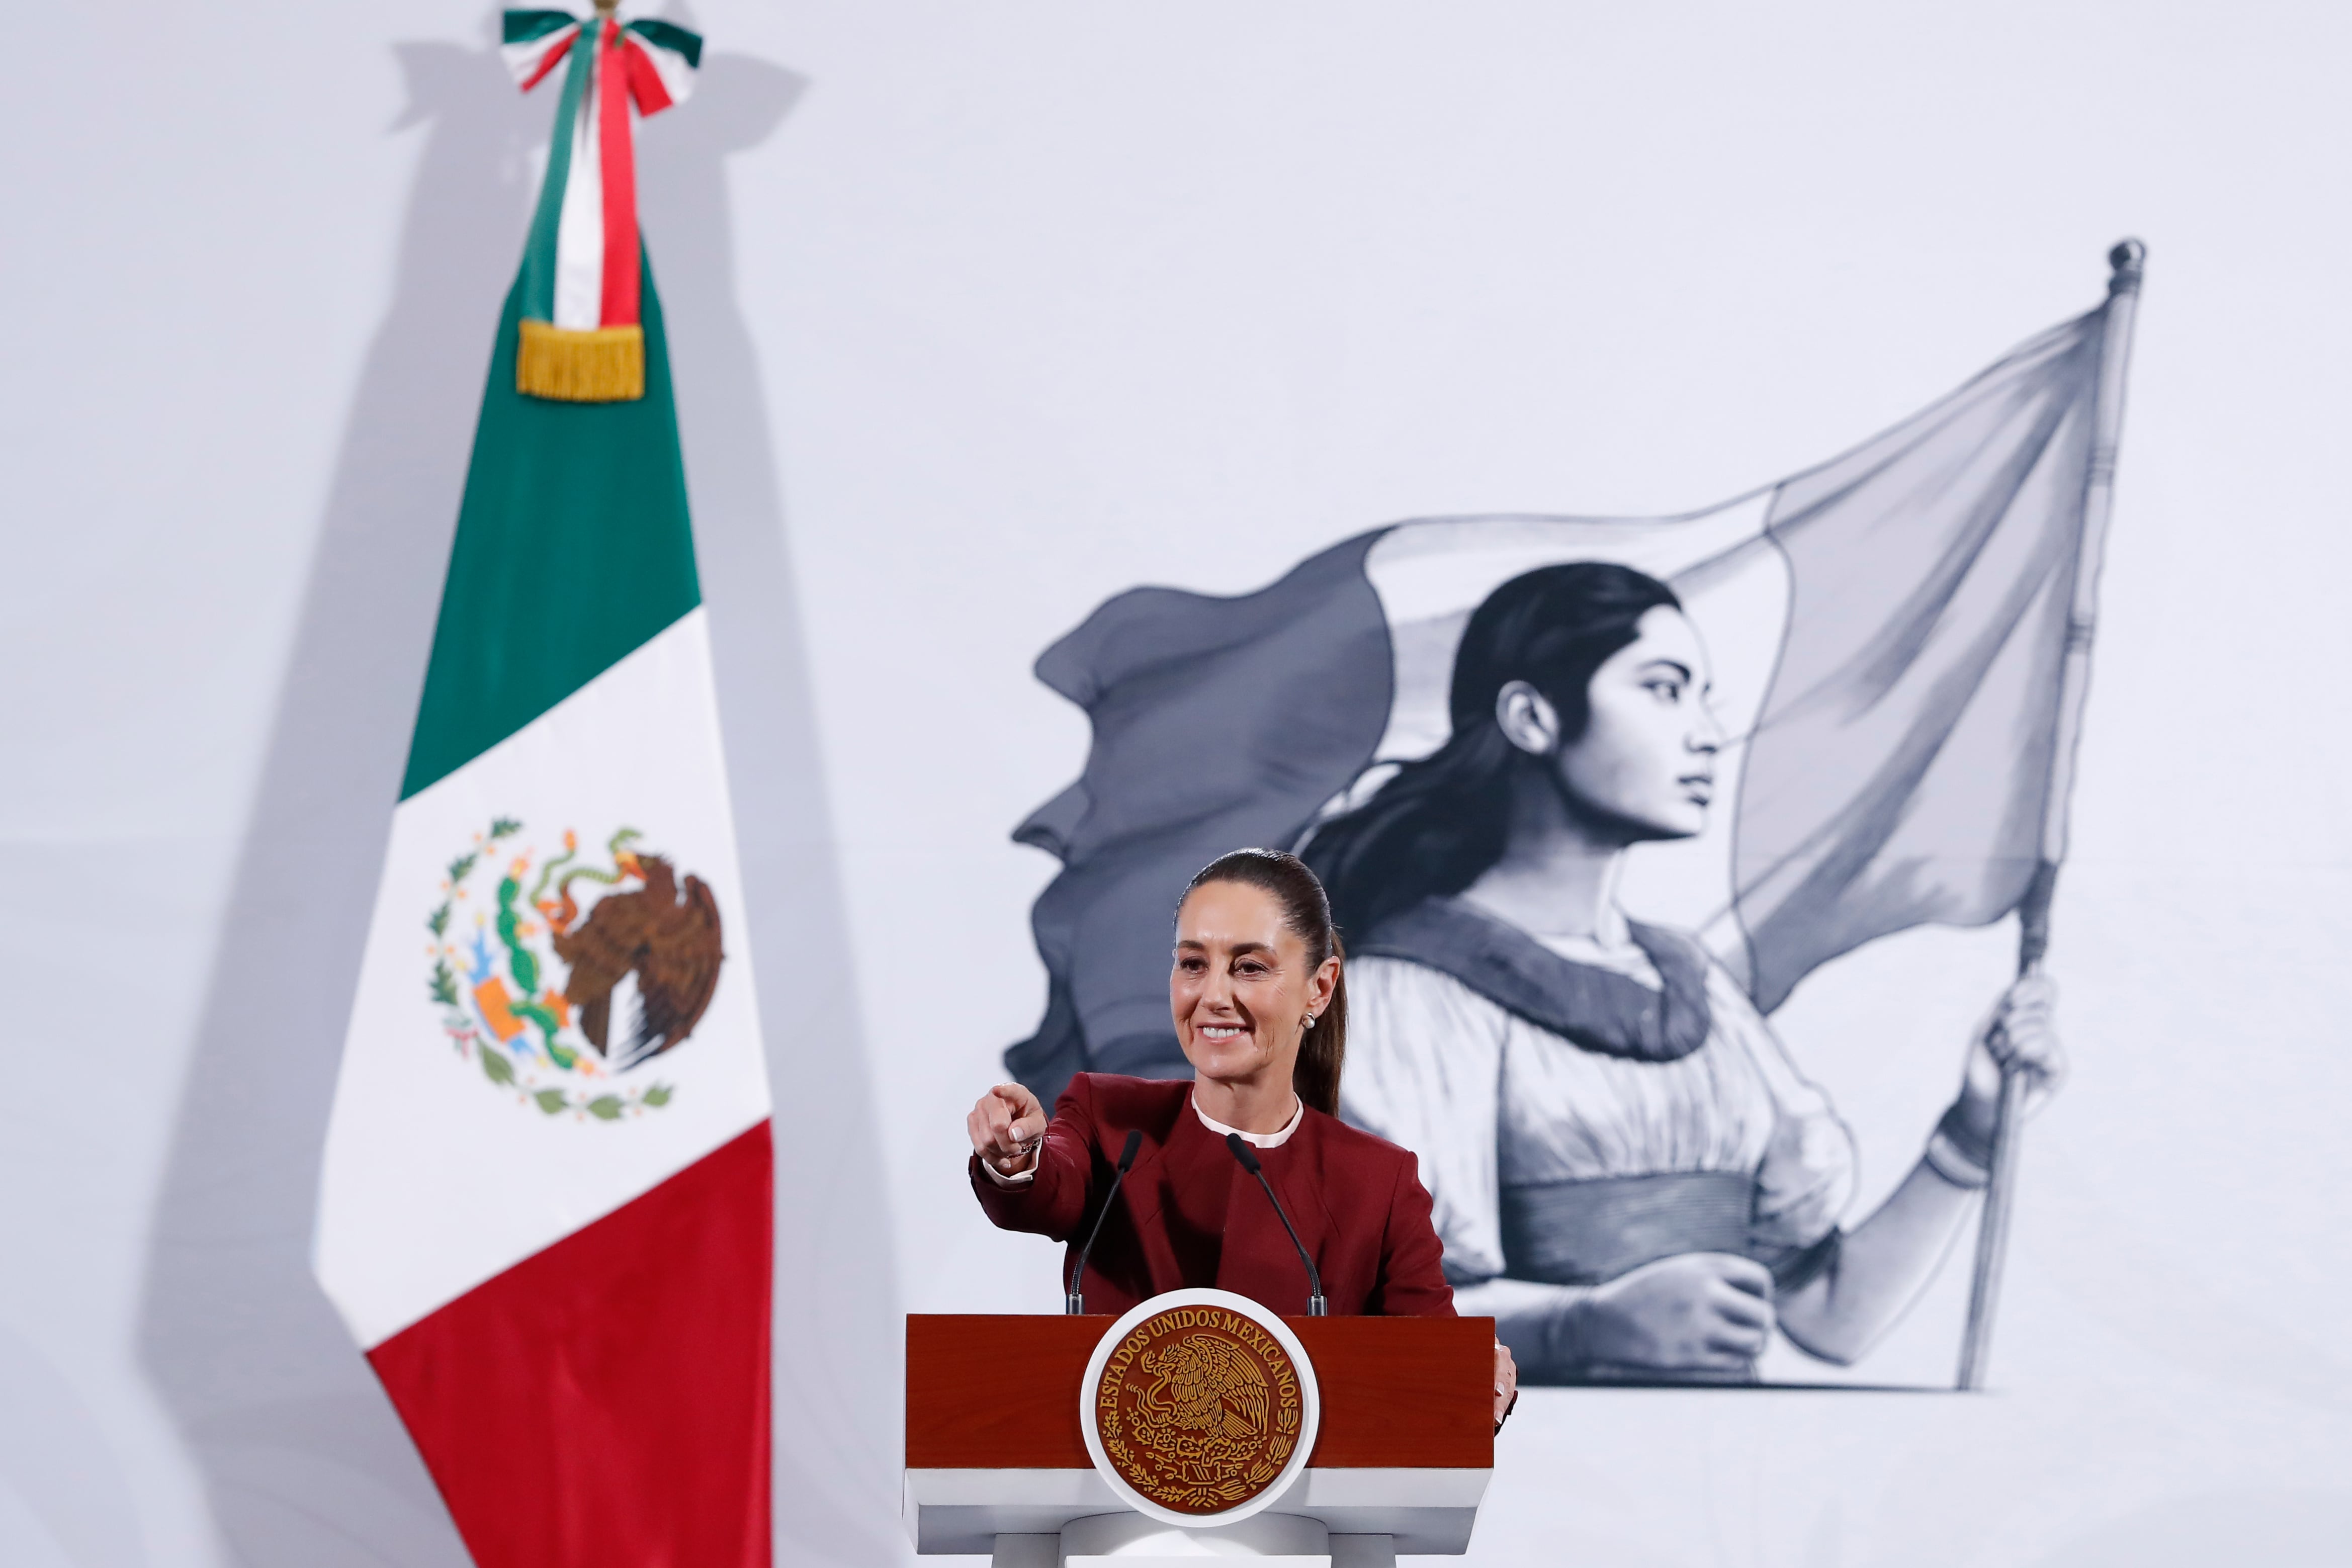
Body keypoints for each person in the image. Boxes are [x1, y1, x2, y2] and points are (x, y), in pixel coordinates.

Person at [1301, 562, 2064, 1383]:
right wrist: (1578, 1326)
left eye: (1704, 697)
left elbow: (1828, 1317)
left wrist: (1971, 1134)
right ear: (1531, 716)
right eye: (1663, 690)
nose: (1705, 733)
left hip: (1709, 1483)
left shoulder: (1691, 987)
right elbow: (1358, 1337)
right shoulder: (1403, 998)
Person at [968, 848, 1520, 1425]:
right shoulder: (1110, 1120)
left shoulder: (1378, 1182)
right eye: (1192, 964)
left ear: (1320, 987)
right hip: (1121, 1508)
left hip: (1303, 1514)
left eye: (1250, 967)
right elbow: (1045, 1191)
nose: (1212, 995)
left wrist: (1477, 1379)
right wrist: (1016, 1156)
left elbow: (1435, 1367)